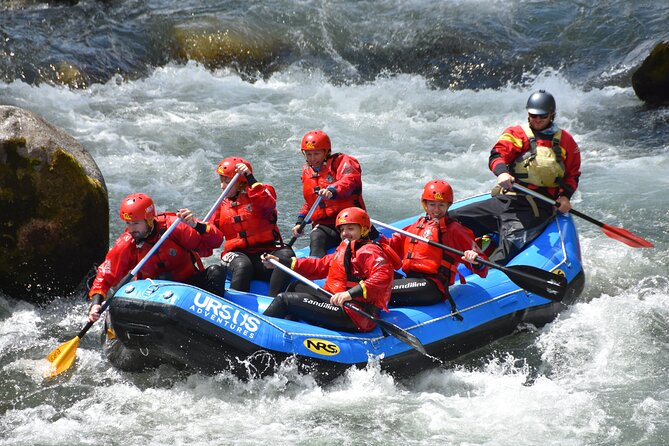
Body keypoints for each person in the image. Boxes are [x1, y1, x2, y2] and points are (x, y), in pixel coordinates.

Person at [448, 90, 581, 264]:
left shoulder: (566, 142)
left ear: (552, 115)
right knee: (451, 219)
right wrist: (502, 172)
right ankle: (475, 248)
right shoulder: (517, 134)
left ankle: (487, 265)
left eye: (542, 116)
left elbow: (572, 174)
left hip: (536, 209)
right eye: (533, 115)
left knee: (503, 256)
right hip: (507, 200)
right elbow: (497, 155)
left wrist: (565, 196)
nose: (537, 120)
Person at [87, 193, 226, 322]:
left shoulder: (174, 227)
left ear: (149, 219)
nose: (131, 228)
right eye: (128, 223)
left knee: (215, 272)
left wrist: (197, 226)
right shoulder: (128, 243)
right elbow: (105, 275)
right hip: (154, 297)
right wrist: (96, 304)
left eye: (135, 223)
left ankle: (212, 321)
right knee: (162, 279)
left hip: (188, 287)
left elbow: (215, 242)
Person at [262, 207, 401, 333]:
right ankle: (289, 330)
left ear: (363, 229)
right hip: (338, 301)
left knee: (284, 300)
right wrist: (281, 262)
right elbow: (320, 265)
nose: (345, 233)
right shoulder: (347, 248)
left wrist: (349, 294)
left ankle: (263, 335)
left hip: (355, 313)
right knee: (295, 286)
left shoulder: (370, 251)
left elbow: (383, 277)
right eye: (342, 230)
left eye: (351, 229)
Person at [386, 180, 488, 315]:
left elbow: (483, 268)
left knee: (376, 289)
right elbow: (389, 247)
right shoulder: (417, 225)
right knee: (369, 281)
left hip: (432, 286)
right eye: (432, 204)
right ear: (425, 205)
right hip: (412, 281)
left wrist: (475, 261)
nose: (436, 210)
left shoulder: (454, 230)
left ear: (448, 205)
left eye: (441, 205)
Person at [210, 156, 293, 294]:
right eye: (221, 180)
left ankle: (275, 303)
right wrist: (197, 226)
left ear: (241, 183)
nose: (222, 186)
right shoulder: (220, 206)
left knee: (286, 256)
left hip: (265, 253)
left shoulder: (263, 192)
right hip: (236, 256)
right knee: (243, 266)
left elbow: (267, 204)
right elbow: (212, 237)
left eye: (227, 181)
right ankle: (236, 306)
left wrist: (249, 177)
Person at [291, 130, 366, 258]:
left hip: (349, 220)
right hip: (326, 225)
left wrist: (332, 190)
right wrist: (300, 221)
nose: (312, 158)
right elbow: (311, 202)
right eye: (308, 154)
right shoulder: (307, 171)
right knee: (316, 236)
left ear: (326, 152)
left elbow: (350, 180)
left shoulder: (341, 162)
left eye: (316, 154)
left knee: (359, 245)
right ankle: (315, 268)